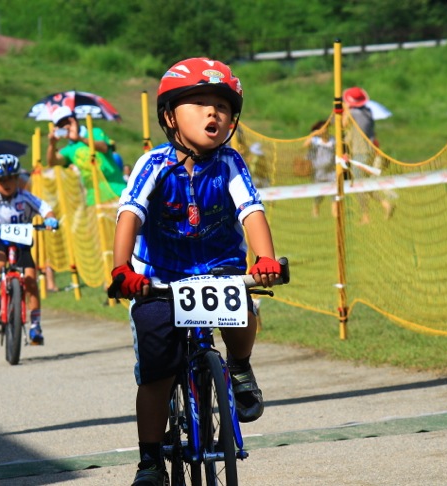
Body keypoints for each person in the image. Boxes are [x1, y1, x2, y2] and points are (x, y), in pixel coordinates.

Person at [108, 57, 281, 486]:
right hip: (161, 277)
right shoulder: (154, 163)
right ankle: (150, 461)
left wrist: (264, 259)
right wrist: (122, 268)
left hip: (219, 268)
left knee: (242, 313)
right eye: (199, 103)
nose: (212, 113)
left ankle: (239, 367)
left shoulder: (229, 163)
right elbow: (130, 213)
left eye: (221, 106)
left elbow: (251, 210)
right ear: (170, 116)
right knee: (157, 371)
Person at [0, 154, 59, 345]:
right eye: (0, 181)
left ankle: (35, 326)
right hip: (0, 239)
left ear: (17, 178)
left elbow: (44, 208)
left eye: (10, 179)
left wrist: (50, 218)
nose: (6, 184)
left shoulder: (26, 197)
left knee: (31, 280)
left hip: (23, 242)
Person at [46, 106, 126, 206]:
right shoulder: (68, 149)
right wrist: (52, 144)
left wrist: (80, 138)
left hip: (116, 192)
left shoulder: (94, 132)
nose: (66, 127)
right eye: (61, 126)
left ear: (75, 120)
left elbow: (104, 147)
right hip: (94, 200)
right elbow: (52, 162)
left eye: (68, 122)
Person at [342, 86, 393, 224]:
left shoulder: (354, 113)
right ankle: (380, 205)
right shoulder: (368, 111)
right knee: (364, 183)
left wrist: (345, 110)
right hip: (368, 151)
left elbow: (343, 123)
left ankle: (370, 212)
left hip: (361, 152)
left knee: (359, 184)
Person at [304, 119, 337, 217]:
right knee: (319, 194)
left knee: (335, 194)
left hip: (331, 171)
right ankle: (315, 208)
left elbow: (340, 148)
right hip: (318, 172)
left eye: (326, 128)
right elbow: (305, 145)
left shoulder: (333, 140)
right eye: (322, 129)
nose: (324, 131)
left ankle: (335, 213)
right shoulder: (315, 141)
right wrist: (313, 134)